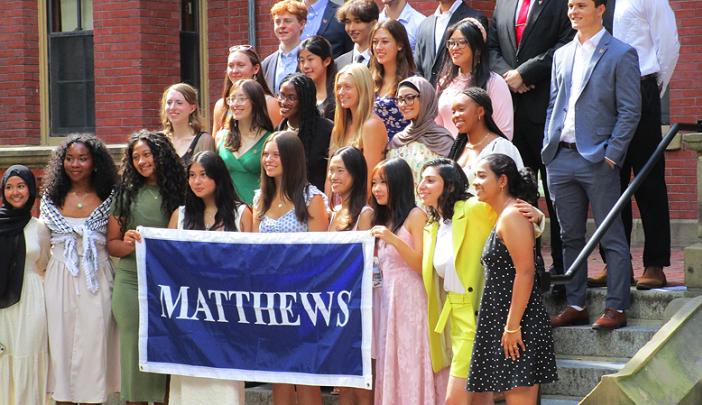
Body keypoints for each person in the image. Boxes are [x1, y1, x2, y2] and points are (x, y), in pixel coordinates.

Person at [543, 0, 641, 330]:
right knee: (569, 236)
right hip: (561, 157)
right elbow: (554, 105)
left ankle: (617, 306)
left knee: (610, 234)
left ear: (600, 9)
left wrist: (613, 154)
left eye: (581, 5)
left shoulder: (621, 53)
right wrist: (549, 145)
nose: (573, 11)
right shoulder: (561, 54)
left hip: (599, 159)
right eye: (570, 6)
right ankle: (575, 302)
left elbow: (630, 110)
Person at [588, 0, 681, 290]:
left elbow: (669, 43)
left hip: (640, 87)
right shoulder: (594, 3)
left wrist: (653, 86)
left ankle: (655, 264)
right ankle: (616, 263)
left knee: (648, 178)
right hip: (604, 92)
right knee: (609, 179)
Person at [488, 0, 573, 280]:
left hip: (547, 110)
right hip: (510, 116)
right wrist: (509, 77)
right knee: (519, 194)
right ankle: (528, 265)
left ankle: (562, 269)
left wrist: (525, 73)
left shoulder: (562, 4)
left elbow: (566, 43)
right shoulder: (503, 4)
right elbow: (491, 47)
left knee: (555, 194)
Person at [467, 153, 557, 403]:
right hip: (507, 321)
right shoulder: (506, 214)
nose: (476, 182)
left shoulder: (513, 215)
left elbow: (526, 271)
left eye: (482, 176)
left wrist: (513, 326)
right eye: (475, 176)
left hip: (519, 323)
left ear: (502, 181)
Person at [107, 130, 187, 404]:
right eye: (136, 157)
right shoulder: (125, 193)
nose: (142, 161)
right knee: (134, 354)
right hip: (131, 282)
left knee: (167, 351)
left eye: (147, 154)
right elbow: (112, 244)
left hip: (169, 284)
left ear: (161, 153)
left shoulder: (181, 189)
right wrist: (128, 242)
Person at [39, 135, 120, 404]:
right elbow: (40, 246)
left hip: (96, 277)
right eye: (69, 158)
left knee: (95, 345)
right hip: (59, 278)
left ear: (95, 162)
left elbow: (115, 242)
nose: (75, 164)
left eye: (82, 158)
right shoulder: (51, 199)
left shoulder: (110, 198)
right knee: (60, 346)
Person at [167, 151, 251, 405]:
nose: (196, 181)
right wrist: (141, 241)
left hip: (227, 314)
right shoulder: (179, 215)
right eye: (192, 175)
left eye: (203, 175)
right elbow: (165, 260)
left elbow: (253, 263)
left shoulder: (241, 214)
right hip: (188, 316)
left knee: (224, 386)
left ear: (218, 177)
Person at [253, 131, 328, 405]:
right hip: (270, 299)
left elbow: (321, 255)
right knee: (279, 374)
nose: (268, 160)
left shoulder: (313, 198)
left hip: (303, 297)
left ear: (292, 158)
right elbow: (252, 251)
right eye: (265, 154)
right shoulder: (259, 198)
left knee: (306, 375)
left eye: (275, 154)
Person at [417, 158, 495, 405]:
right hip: (452, 317)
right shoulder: (433, 225)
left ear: (449, 186)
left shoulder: (471, 209)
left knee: (454, 399)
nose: (421, 186)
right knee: (481, 398)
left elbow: (509, 214)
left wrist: (536, 218)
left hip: (477, 315)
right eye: (421, 179)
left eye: (430, 180)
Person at [369, 158, 437, 405]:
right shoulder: (384, 218)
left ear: (398, 183)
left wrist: (393, 239)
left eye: (383, 182)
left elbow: (421, 265)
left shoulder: (415, 215)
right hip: (387, 299)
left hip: (411, 299)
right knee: (393, 361)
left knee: (411, 359)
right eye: (374, 183)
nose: (377, 189)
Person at [326, 146, 374, 405]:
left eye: (340, 170)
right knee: (343, 378)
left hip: (358, 304)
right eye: (331, 170)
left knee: (361, 377)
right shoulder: (333, 214)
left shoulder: (366, 213)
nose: (333, 176)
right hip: (336, 302)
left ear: (355, 174)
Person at [0, 165, 51, 405]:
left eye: (21, 186)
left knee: (29, 355)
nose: (15, 192)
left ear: (31, 190)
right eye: (9, 187)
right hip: (2, 306)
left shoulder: (39, 227)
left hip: (31, 300)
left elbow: (43, 264)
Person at [435, 17, 514, 139]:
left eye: (461, 42)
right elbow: (437, 126)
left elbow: (505, 132)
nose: (454, 47)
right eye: (451, 43)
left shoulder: (494, 83)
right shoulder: (444, 82)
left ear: (477, 48)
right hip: (447, 154)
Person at [387, 76, 454, 201]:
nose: (403, 104)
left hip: (431, 214)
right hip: (398, 214)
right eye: (400, 99)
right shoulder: (398, 140)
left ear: (425, 98)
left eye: (410, 98)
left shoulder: (442, 140)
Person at [447, 87, 523, 194]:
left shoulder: (501, 147)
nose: (455, 116)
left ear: (480, 111)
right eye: (453, 112)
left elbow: (515, 191)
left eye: (461, 109)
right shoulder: (458, 149)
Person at [216, 79, 274, 205]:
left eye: (241, 99)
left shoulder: (270, 140)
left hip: (258, 209)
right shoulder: (221, 137)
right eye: (231, 99)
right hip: (226, 211)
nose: (235, 104)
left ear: (256, 102)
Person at [330, 64, 388, 190]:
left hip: (360, 204)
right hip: (338, 204)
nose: (341, 92)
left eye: (347, 87)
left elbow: (369, 178)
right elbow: (329, 179)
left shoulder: (371, 125)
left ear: (362, 89)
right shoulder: (338, 128)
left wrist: (360, 209)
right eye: (338, 87)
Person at [276, 73, 333, 191]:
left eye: (291, 97)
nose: (284, 102)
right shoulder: (277, 131)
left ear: (305, 100)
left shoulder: (326, 130)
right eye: (281, 95)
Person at [213, 45, 281, 136]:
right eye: (231, 66)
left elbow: (279, 142)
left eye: (241, 65)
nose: (235, 71)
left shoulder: (270, 104)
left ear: (256, 68)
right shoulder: (221, 106)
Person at [414, 0, 487, 85]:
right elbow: (417, 67)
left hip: (463, 92)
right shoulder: (425, 25)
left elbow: (479, 63)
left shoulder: (475, 19)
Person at [369, 19, 415, 140]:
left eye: (385, 42)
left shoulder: (412, 82)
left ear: (400, 45)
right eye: (375, 42)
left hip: (402, 149)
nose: (378, 47)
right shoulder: (369, 81)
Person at [160, 82, 215, 165]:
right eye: (169, 102)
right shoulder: (159, 140)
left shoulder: (203, 140)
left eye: (179, 103)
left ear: (192, 108)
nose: (172, 107)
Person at [262, 0, 308, 92]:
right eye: (277, 22)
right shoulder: (266, 65)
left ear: (302, 24)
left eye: (287, 21)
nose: (281, 26)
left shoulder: (311, 59)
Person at [299, 35, 337, 121]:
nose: (305, 66)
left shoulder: (339, 94)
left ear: (327, 61)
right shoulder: (300, 95)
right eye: (302, 61)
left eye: (310, 59)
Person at [335, 0, 379, 70]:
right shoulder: (338, 64)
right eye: (348, 22)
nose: (351, 28)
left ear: (373, 24)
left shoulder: (382, 61)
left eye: (358, 22)